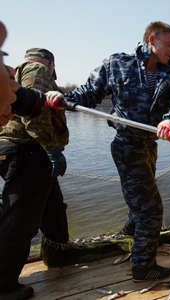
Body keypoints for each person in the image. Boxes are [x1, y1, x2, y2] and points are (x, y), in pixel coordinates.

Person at [48, 21, 170, 282]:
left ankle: (130, 234)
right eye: (169, 45)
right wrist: (60, 98)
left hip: (150, 144)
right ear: (152, 40)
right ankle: (143, 267)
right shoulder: (117, 63)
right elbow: (88, 93)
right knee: (150, 209)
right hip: (126, 145)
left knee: (140, 199)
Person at [0, 21, 71, 300]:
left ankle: (59, 250)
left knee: (51, 205)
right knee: (20, 219)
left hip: (19, 149)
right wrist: (52, 149)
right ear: (51, 64)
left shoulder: (15, 72)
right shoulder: (39, 70)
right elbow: (36, 114)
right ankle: (3, 285)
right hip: (28, 150)